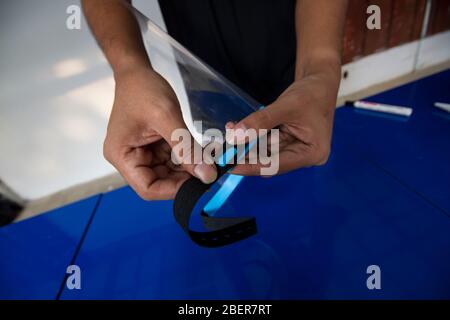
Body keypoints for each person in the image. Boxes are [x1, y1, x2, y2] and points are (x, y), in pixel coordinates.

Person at [82, 0, 348, 200]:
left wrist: (320, 68)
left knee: (305, 191)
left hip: (293, 75)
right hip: (205, 85)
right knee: (229, 181)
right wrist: (129, 68)